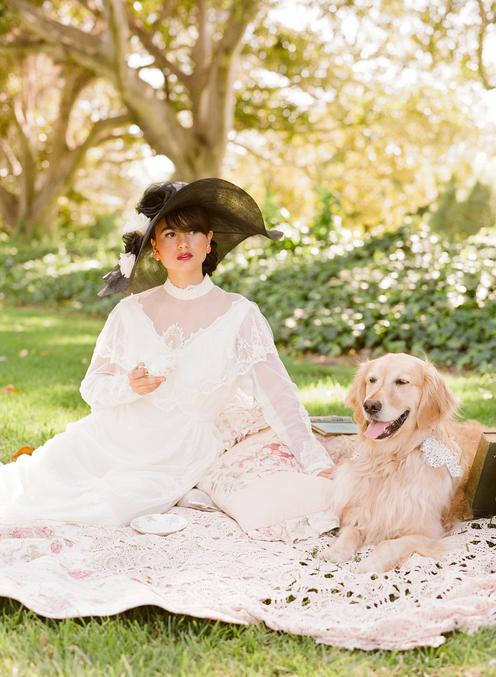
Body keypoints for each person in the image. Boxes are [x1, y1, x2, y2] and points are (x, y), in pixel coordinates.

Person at [0, 178, 337, 527]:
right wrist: (129, 386)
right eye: (171, 234)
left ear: (209, 241)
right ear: (156, 248)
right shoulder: (129, 312)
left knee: (104, 508)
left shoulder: (240, 316)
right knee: (29, 488)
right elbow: (93, 387)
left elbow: (281, 399)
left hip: (174, 454)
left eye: (193, 231)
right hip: (108, 437)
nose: (183, 242)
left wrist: (317, 464)